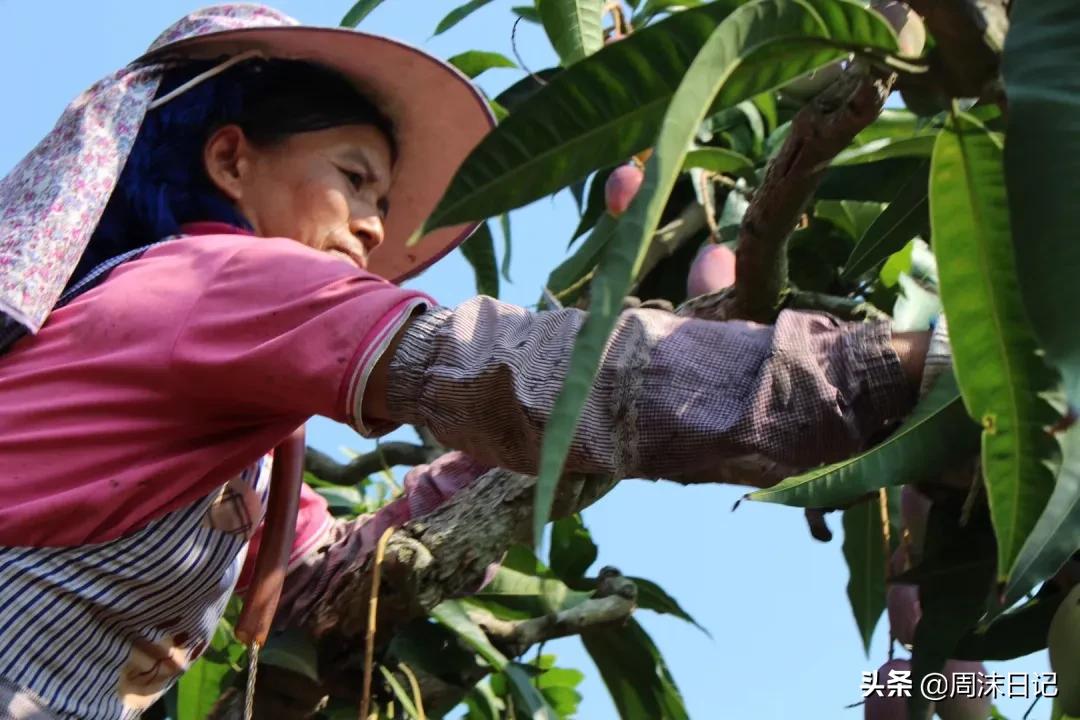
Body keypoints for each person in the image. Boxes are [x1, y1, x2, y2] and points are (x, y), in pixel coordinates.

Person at [0, 4, 937, 718]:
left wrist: (497, 476)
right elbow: (488, 364)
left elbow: (324, 573)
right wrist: (875, 372)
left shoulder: (234, 414)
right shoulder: (216, 282)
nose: (374, 226)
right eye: (354, 179)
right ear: (232, 159)